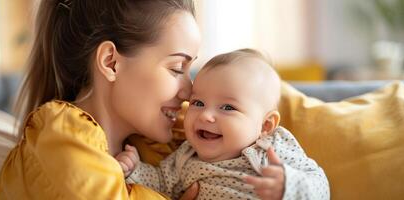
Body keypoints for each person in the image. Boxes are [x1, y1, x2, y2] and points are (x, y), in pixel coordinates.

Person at [0, 0, 202, 199]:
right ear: (111, 62)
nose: (189, 92)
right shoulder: (59, 138)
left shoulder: (156, 145)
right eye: (177, 68)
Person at [116, 49, 330, 200]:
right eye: (197, 103)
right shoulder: (186, 156)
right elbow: (161, 182)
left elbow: (320, 185)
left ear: (265, 125)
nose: (206, 116)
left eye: (227, 108)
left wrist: (289, 185)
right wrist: (135, 169)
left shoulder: (271, 149)